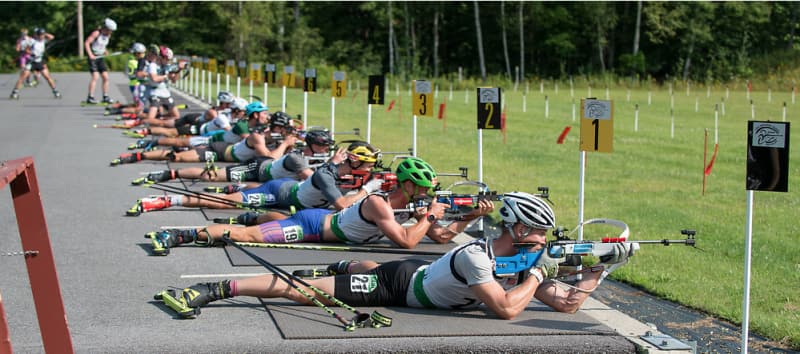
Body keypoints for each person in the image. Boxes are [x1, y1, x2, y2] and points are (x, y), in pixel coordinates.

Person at [159, 191, 631, 321]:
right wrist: (537, 276)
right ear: (519, 229)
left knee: (366, 265)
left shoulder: (520, 263)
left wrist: (596, 272)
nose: (545, 241)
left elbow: (568, 303)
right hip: (399, 286)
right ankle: (213, 289)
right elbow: (508, 310)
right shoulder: (476, 257)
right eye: (541, 234)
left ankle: (341, 263)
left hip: (421, 272)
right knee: (306, 294)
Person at [145, 156, 493, 255]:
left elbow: (443, 237)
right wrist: (429, 216)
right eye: (422, 187)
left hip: (327, 223)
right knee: (248, 236)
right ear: (406, 185)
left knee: (257, 227)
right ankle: (180, 234)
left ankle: (260, 215)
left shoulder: (410, 209)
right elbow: (407, 242)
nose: (427, 192)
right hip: (314, 226)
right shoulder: (378, 204)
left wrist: (472, 216)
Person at [125, 140, 373, 216]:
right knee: (223, 202)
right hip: (278, 192)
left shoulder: (339, 169)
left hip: (288, 192)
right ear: (353, 160)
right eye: (368, 164)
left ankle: (238, 188)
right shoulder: (325, 175)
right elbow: (341, 205)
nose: (371, 169)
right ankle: (166, 200)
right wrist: (368, 190)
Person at [110, 101, 293, 167]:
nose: (267, 117)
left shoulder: (256, 128)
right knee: (178, 145)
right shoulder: (245, 126)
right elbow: (258, 146)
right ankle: (145, 148)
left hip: (224, 146)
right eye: (264, 113)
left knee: (178, 153)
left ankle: (147, 149)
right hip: (212, 140)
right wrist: (281, 142)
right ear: (254, 115)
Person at [130, 128, 334, 185]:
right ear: (313, 145)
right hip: (258, 167)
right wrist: (285, 143)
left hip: (270, 178)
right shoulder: (297, 156)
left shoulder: (306, 154)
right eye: (323, 146)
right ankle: (170, 174)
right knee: (211, 175)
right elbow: (312, 179)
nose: (326, 150)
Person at [9, 28, 61, 100]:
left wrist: (44, 33)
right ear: (37, 35)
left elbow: (52, 37)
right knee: (23, 77)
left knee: (47, 77)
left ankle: (55, 91)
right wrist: (31, 53)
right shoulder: (32, 41)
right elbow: (26, 49)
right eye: (40, 35)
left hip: (39, 61)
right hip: (31, 61)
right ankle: (14, 92)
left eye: (42, 35)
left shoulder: (43, 40)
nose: (41, 36)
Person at [84, 18, 117, 104]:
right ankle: (90, 97)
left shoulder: (107, 36)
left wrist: (105, 51)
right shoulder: (96, 33)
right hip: (93, 57)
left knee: (106, 77)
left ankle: (105, 96)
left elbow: (102, 45)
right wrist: (90, 54)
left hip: (100, 57)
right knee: (95, 77)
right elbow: (87, 43)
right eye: (110, 30)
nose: (111, 32)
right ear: (106, 28)